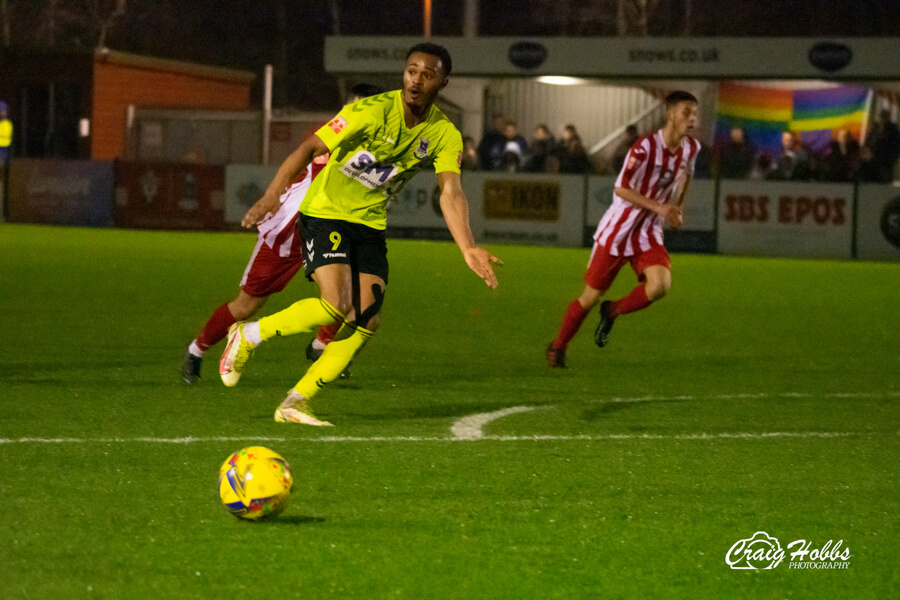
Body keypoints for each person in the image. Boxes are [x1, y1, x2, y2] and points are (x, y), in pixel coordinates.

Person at [219, 43, 501, 424]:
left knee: (367, 318)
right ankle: (248, 335)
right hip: (325, 212)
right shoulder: (369, 111)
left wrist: (467, 247)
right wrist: (271, 196)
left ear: (443, 82)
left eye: (427, 74)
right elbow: (308, 149)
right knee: (334, 303)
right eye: (411, 70)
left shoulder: (443, 134)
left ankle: (296, 401)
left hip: (369, 224)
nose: (416, 80)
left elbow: (450, 190)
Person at [181, 84, 384, 384]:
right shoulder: (332, 134)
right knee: (247, 304)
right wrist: (271, 195)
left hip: (332, 229)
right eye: (361, 108)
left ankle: (321, 347)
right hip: (290, 231)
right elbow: (306, 159)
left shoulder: (380, 142)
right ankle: (196, 351)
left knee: (354, 299)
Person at [547, 91, 700, 368]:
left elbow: (687, 172)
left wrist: (677, 206)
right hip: (618, 230)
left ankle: (613, 311)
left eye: (695, 113)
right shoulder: (644, 147)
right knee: (590, 297)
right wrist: (660, 207)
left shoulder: (691, 148)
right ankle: (557, 346)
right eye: (687, 112)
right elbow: (620, 188)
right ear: (671, 114)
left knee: (660, 286)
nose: (693, 118)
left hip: (647, 233)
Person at [0, 101, 12, 167]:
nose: (2, 113)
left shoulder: (8, 124)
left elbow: (6, 134)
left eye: (3, 111)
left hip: (4, 148)